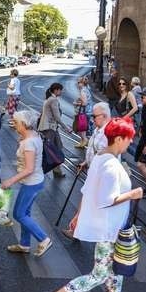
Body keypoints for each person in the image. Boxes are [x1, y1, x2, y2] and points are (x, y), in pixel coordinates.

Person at [41, 118, 141, 292]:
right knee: (99, 275)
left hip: (110, 228)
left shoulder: (101, 157)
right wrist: (133, 194)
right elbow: (106, 200)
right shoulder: (111, 165)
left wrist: (79, 214)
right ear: (119, 138)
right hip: (108, 229)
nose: (131, 142)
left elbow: (88, 190)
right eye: (129, 139)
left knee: (115, 272)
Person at [2, 110, 52, 256]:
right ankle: (24, 244)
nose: (14, 125)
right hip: (36, 181)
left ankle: (43, 239)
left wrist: (11, 180)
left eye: (16, 123)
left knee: (19, 214)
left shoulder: (29, 143)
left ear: (24, 124)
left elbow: (29, 169)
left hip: (31, 182)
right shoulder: (33, 136)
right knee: (26, 213)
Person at [62, 102, 113, 240]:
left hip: (102, 175)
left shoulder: (109, 132)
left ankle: (78, 230)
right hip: (94, 171)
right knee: (87, 202)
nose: (92, 119)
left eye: (94, 116)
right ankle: (78, 230)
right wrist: (86, 162)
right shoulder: (98, 129)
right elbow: (93, 150)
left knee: (88, 202)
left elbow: (106, 155)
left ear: (104, 116)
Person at [38, 83, 73, 178]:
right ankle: (41, 170)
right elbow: (57, 117)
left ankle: (56, 169)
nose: (62, 92)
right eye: (61, 90)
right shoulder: (53, 100)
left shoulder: (49, 99)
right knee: (50, 150)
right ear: (56, 90)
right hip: (50, 128)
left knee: (56, 148)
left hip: (50, 128)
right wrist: (67, 128)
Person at [73, 76, 92, 148]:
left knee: (81, 127)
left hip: (84, 112)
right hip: (88, 111)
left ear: (82, 83)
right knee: (82, 127)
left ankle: (84, 140)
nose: (77, 84)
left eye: (78, 83)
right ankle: (82, 141)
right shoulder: (87, 89)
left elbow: (84, 103)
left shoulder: (83, 91)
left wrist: (76, 103)